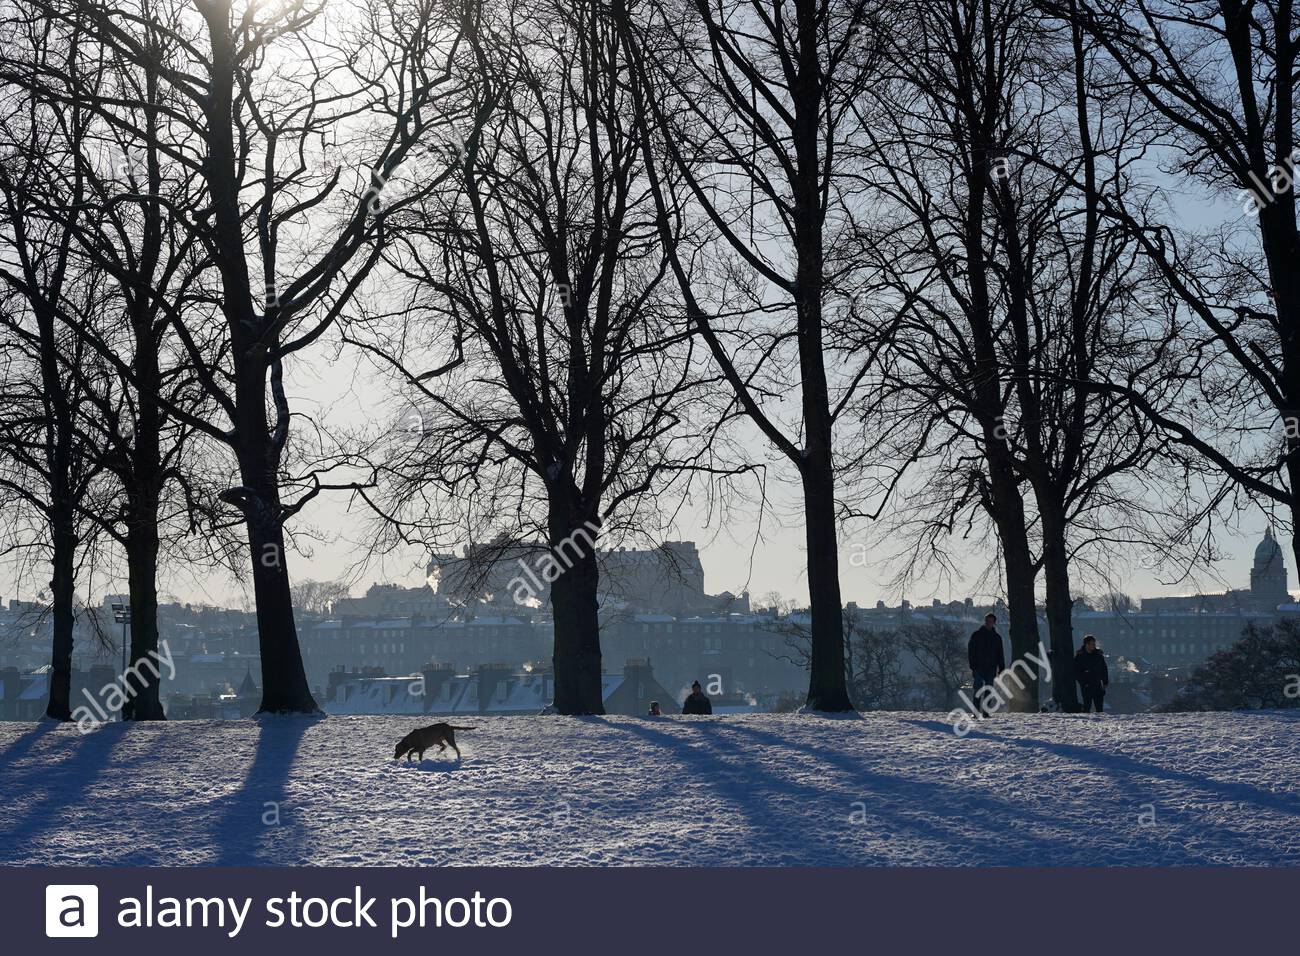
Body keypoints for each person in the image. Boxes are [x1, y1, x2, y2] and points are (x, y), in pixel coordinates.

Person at [968, 613, 1006, 717]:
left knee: (988, 690)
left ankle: (985, 712)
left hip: (991, 667)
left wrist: (1001, 666)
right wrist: (973, 666)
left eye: (990, 621)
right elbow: (971, 652)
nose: (989, 623)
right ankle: (976, 713)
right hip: (979, 667)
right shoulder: (976, 635)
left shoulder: (997, 637)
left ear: (994, 623)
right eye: (987, 621)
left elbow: (1000, 653)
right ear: (985, 621)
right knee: (978, 690)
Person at [1075, 635, 1109, 713]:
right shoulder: (1080, 656)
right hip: (1087, 685)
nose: (1094, 645)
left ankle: (1100, 723)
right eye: (1092, 644)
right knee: (1087, 706)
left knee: (1099, 707)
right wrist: (1083, 683)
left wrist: (1105, 682)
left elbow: (1103, 669)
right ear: (1086, 644)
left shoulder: (1098, 655)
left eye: (1094, 644)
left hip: (1097, 684)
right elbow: (1076, 672)